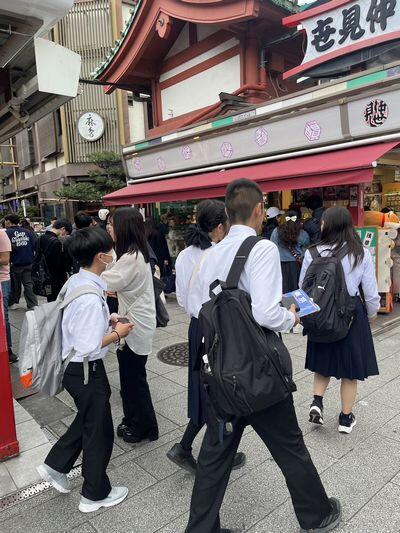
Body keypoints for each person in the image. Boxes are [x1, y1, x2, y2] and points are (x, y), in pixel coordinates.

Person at [185, 179, 340, 533]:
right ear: (259, 210)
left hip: (221, 371)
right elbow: (267, 314)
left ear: (227, 213)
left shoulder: (210, 254)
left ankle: (202, 528)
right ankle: (316, 515)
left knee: (214, 455)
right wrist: (292, 317)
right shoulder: (261, 248)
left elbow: (195, 307)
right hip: (258, 373)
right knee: (289, 446)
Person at [37, 227, 133, 512]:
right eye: (110, 250)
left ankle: (56, 466)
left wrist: (108, 317)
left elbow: (77, 325)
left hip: (76, 369)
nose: (114, 254)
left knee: (89, 420)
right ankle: (94, 494)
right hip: (85, 370)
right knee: (98, 432)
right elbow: (88, 345)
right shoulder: (90, 297)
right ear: (101, 257)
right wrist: (118, 333)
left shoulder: (77, 280)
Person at [166, 200, 245, 474]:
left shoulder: (184, 255)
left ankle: (195, 447)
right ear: (220, 227)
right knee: (219, 388)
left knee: (205, 386)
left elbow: (181, 297)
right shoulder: (220, 255)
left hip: (197, 326)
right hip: (217, 327)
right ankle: (203, 452)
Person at [300, 206, 380, 434]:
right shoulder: (360, 252)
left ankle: (317, 402)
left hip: (321, 312)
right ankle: (345, 419)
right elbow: (370, 292)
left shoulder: (312, 252)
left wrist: (305, 316)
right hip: (351, 314)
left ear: (326, 225)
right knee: (350, 370)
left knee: (322, 362)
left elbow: (302, 287)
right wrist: (372, 314)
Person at [102, 207, 158, 444]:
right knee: (129, 376)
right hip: (132, 319)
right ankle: (133, 419)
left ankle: (144, 426)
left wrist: (97, 262)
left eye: (112, 224)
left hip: (135, 323)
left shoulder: (130, 258)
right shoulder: (130, 253)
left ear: (124, 227)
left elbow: (105, 281)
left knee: (134, 379)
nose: (108, 228)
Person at [270, 210, 310, 294]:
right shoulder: (303, 233)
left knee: (282, 291)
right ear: (298, 220)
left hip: (280, 265)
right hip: (296, 265)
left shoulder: (276, 232)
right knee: (297, 291)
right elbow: (306, 250)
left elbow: (272, 248)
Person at [5, 214, 38, 310]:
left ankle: (12, 303)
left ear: (8, 221)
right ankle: (32, 304)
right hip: (28, 262)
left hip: (13, 263)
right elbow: (35, 245)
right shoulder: (28, 232)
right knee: (28, 284)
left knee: (14, 285)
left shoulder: (6, 233)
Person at [37, 219, 73, 302]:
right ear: (63, 229)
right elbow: (58, 264)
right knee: (57, 301)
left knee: (50, 299)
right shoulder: (56, 242)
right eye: (66, 233)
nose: (64, 236)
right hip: (56, 278)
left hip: (44, 275)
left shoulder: (41, 238)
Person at [0, 228, 16, 363]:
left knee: (3, 316)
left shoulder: (1, 234)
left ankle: (8, 350)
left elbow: (5, 259)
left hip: (2, 281)